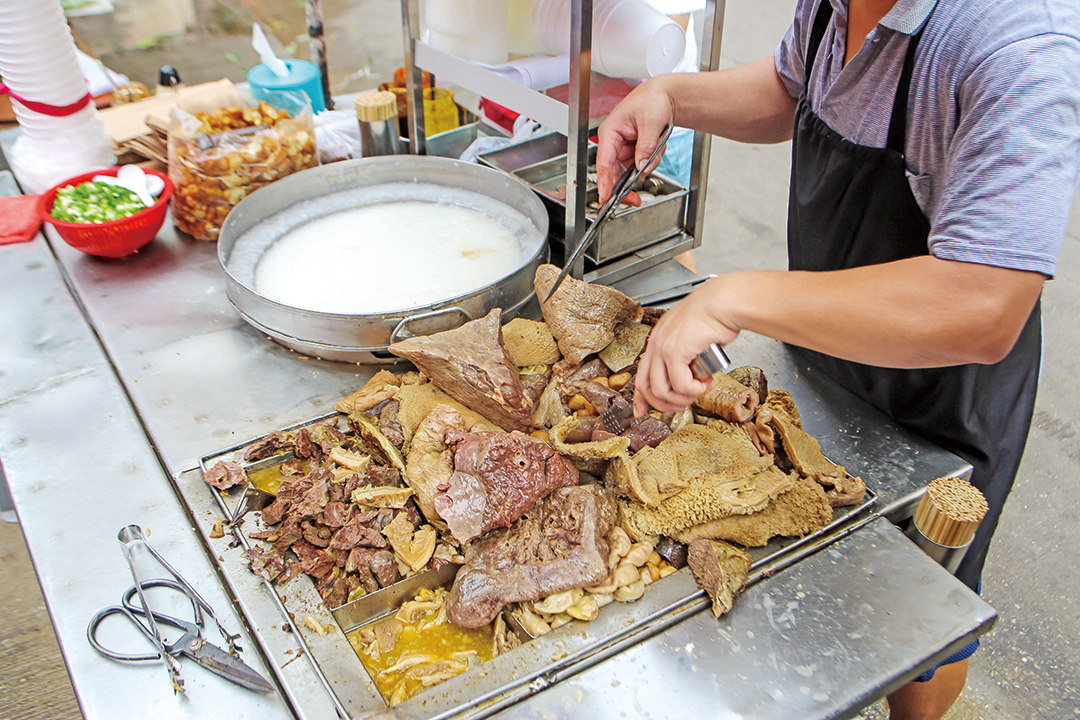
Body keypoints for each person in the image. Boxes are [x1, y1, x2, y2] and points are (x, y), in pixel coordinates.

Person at [595, 0, 1080, 718]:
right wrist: (672, 96)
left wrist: (736, 298)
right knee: (816, 584)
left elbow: (985, 303)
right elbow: (795, 92)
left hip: (937, 402)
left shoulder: (1015, 42)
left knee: (916, 620)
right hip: (826, 359)